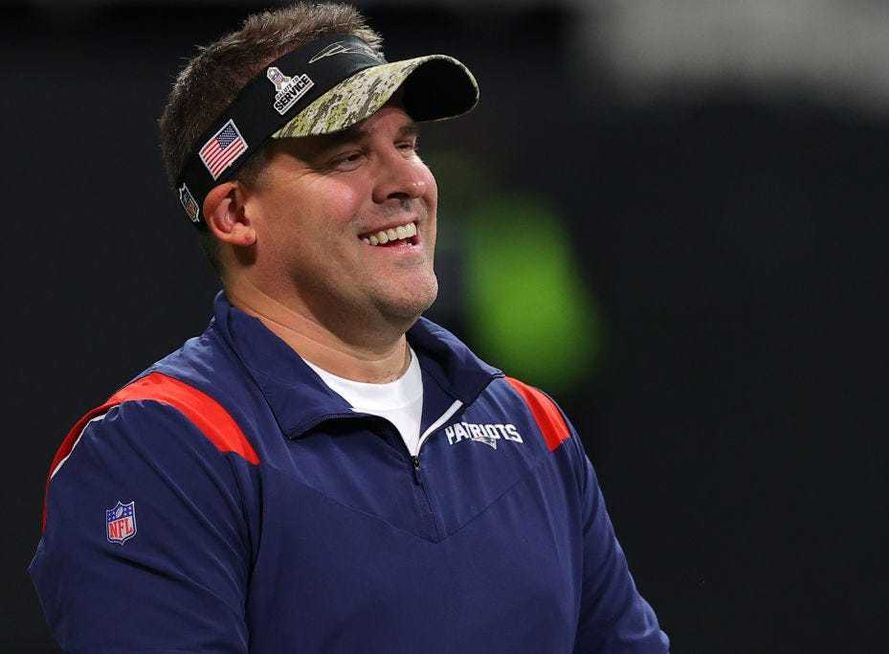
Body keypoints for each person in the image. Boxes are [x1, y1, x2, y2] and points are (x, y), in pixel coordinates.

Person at [29, 3, 670, 652]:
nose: (407, 181)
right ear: (234, 214)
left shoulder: (536, 430)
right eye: (345, 155)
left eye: (407, 144)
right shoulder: (161, 448)